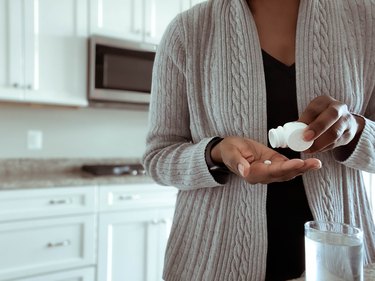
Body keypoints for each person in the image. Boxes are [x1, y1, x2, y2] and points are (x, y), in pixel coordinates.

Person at [142, 0, 375, 280]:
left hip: (341, 259)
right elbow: (158, 157)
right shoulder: (187, 31)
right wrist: (216, 153)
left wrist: (355, 131)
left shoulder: (367, 19)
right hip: (214, 263)